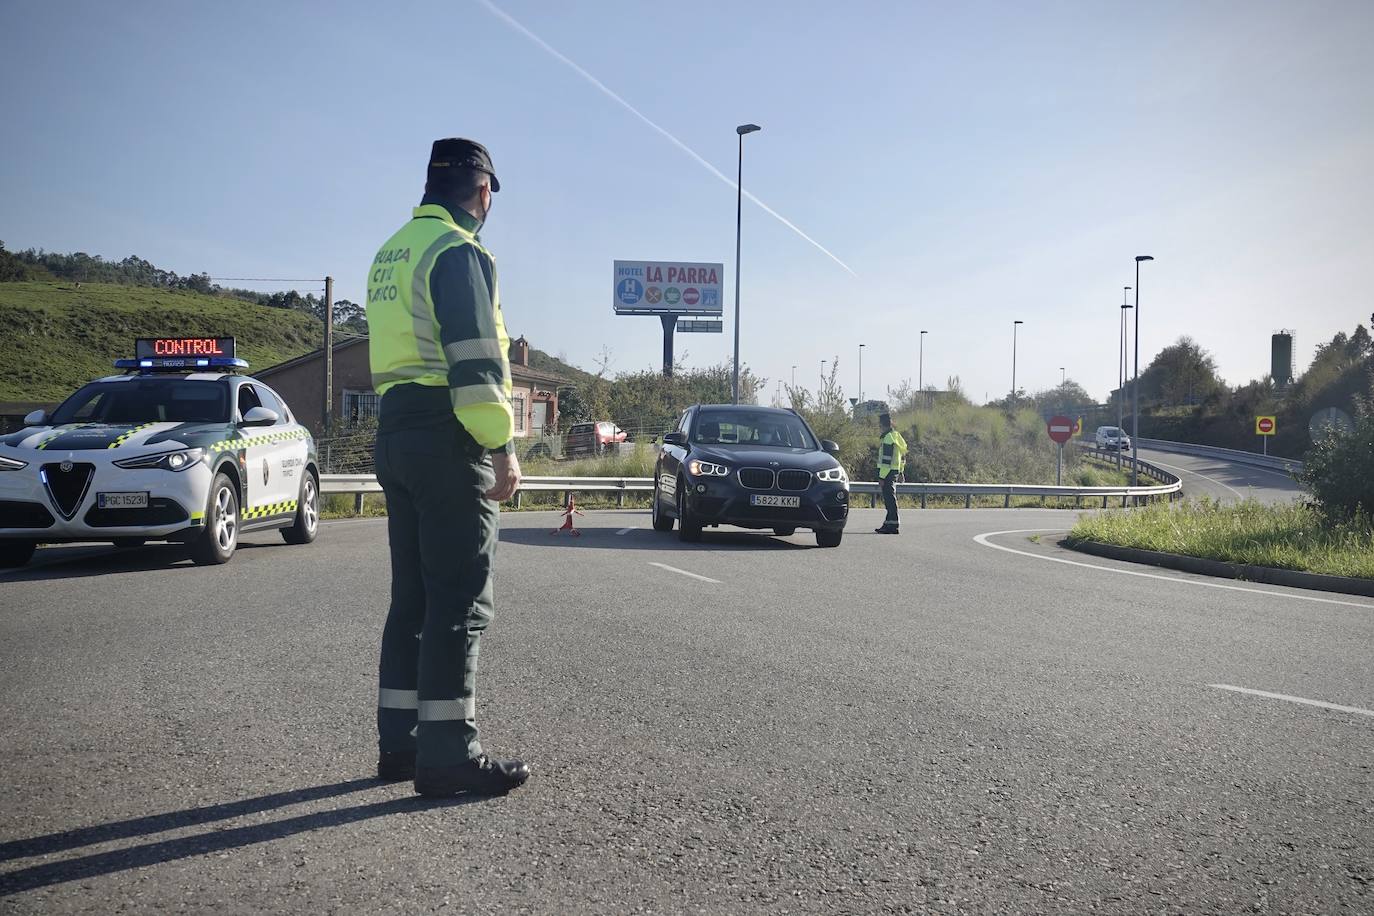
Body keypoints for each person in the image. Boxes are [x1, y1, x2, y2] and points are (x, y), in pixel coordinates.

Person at [367, 138, 529, 797]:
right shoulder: (459, 251)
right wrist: (502, 446)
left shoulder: (394, 250)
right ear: (484, 191)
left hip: (395, 428)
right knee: (459, 598)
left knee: (413, 600)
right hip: (446, 432)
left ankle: (401, 747)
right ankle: (448, 756)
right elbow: (474, 359)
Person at [875, 412, 907, 534]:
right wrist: (901, 471)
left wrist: (881, 477)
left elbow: (886, 460)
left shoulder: (888, 438)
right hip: (894, 471)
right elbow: (903, 455)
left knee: (889, 500)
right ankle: (888, 524)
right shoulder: (897, 436)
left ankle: (893, 525)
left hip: (887, 473)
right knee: (890, 499)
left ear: (882, 425)